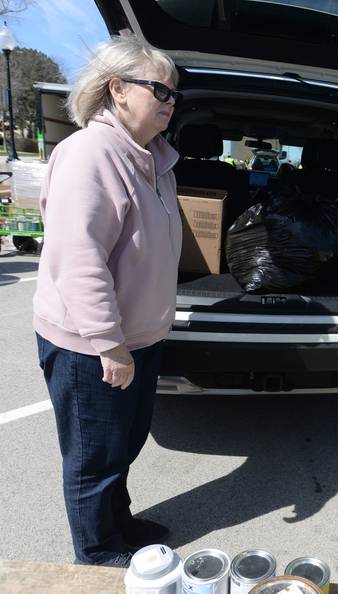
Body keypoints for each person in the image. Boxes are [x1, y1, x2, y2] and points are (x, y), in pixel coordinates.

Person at [33, 36, 182, 568]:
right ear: (117, 89)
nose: (169, 99)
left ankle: (118, 523)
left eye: (173, 92)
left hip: (137, 338)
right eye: (159, 88)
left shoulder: (152, 158)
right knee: (93, 459)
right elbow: (79, 260)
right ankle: (96, 553)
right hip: (93, 346)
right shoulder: (91, 155)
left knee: (123, 445)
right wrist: (109, 345)